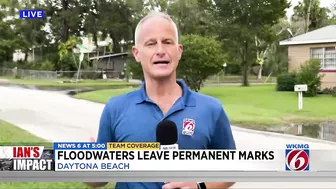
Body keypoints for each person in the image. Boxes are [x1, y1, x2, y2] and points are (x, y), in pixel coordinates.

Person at [86, 11, 236, 189]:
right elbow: (98, 179)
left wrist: (199, 186)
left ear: (178, 51)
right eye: (151, 44)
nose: (160, 51)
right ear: (137, 53)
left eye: (167, 42)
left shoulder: (211, 109)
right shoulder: (115, 108)